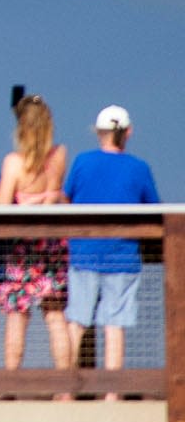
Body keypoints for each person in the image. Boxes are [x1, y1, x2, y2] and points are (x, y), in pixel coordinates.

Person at [62, 105, 160, 392]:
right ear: (128, 132)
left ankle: (67, 387)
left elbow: (67, 199)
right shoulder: (139, 168)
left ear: (98, 133)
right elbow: (153, 208)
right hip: (123, 255)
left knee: (76, 321)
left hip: (83, 253)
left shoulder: (82, 162)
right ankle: (111, 393)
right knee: (114, 325)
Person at [0, 91, 71, 373]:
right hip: (51, 243)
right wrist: (47, 198)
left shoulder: (13, 163)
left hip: (22, 246)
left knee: (17, 316)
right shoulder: (59, 156)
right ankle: (65, 388)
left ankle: (11, 384)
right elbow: (57, 192)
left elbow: (1, 205)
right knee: (55, 316)